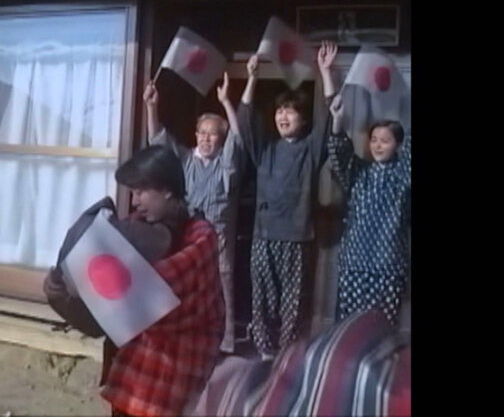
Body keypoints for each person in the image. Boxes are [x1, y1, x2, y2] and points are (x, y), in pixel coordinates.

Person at [45, 145, 224, 416]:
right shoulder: (138, 224)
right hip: (131, 379)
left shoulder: (201, 236)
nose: (135, 201)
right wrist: (65, 295)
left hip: (171, 381)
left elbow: (149, 295)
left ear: (167, 190)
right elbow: (106, 317)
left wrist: (96, 276)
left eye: (141, 192)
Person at [236, 41, 338, 359]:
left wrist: (325, 72)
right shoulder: (265, 148)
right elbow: (245, 119)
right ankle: (265, 353)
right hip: (263, 235)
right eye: (280, 110)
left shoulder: (311, 148)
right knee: (262, 299)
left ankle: (288, 355)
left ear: (303, 120)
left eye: (290, 111)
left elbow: (329, 117)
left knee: (293, 302)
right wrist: (252, 78)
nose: (283, 115)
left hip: (296, 237)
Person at [143, 72, 246, 352]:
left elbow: (237, 140)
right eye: (202, 133)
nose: (205, 139)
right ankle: (191, 334)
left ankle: (225, 343)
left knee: (222, 285)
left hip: (218, 235)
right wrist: (151, 107)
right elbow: (159, 141)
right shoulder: (188, 159)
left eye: (212, 134)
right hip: (190, 234)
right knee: (189, 283)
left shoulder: (226, 163)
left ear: (220, 138)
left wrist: (226, 103)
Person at [328, 94, 412, 325]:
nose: (377, 145)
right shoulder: (359, 172)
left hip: (388, 265)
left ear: (398, 144)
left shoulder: (403, 174)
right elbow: (340, 154)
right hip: (354, 263)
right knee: (349, 327)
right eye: (374, 139)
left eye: (384, 140)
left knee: (381, 327)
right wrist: (337, 121)